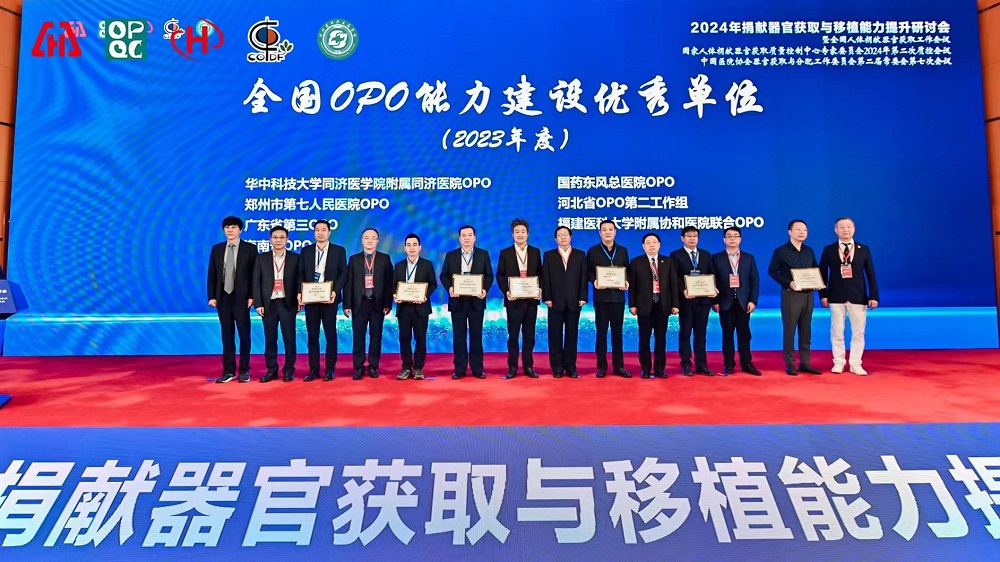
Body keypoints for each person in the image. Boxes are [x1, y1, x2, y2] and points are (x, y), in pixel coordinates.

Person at [819, 217, 879, 376]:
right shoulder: (829, 250)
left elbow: (871, 274)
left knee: (858, 332)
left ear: (854, 229)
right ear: (836, 230)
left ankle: (855, 363)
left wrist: (873, 296)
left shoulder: (863, 249)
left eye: (848, 226)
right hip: (835, 296)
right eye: (841, 227)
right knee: (837, 331)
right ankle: (838, 362)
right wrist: (823, 295)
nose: (845, 230)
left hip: (858, 296)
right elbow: (822, 274)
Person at [768, 219, 822, 376]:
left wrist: (818, 282)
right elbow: (772, 271)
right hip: (791, 294)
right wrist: (788, 283)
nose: (802, 232)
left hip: (808, 295)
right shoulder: (780, 251)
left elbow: (815, 269)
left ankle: (805, 363)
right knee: (790, 330)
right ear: (790, 232)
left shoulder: (809, 251)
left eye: (805, 230)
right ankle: (790, 364)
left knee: (806, 330)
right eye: (798, 229)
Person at [207, 216, 257, 383]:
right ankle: (228, 371)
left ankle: (244, 370)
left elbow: (254, 275)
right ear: (224, 230)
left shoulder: (250, 249)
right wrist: (212, 296)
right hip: (223, 298)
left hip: (242, 297)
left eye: (233, 227)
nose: (230, 230)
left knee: (244, 334)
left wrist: (253, 296)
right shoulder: (217, 249)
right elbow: (212, 274)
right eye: (227, 227)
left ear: (240, 230)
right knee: (227, 335)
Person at [440, 225, 494, 379]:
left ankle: (477, 369)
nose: (467, 238)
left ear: (474, 238)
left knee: (476, 336)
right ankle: (459, 369)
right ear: (459, 238)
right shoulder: (451, 255)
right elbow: (444, 275)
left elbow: (489, 276)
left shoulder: (483, 254)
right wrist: (450, 288)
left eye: (470, 235)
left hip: (476, 301)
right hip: (457, 302)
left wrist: (484, 289)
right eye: (463, 235)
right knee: (459, 336)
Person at [297, 220, 347, 381]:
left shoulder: (339, 251)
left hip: (329, 299)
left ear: (329, 232)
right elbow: (300, 273)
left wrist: (334, 291)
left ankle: (330, 369)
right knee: (312, 336)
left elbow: (343, 274)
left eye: (323, 230)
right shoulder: (306, 251)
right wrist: (300, 292)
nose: (320, 232)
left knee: (330, 335)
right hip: (311, 299)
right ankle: (313, 370)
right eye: (317, 230)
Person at [252, 226, 301, 382]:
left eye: (282, 237)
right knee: (270, 339)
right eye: (275, 237)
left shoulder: (295, 258)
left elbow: (300, 280)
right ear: (270, 239)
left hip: (288, 303)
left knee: (289, 339)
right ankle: (271, 370)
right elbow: (256, 282)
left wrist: (300, 297)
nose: (278, 240)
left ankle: (288, 370)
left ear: (287, 239)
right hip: (269, 304)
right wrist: (258, 303)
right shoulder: (261, 258)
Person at [344, 228, 394, 380]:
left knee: (376, 336)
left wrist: (388, 303)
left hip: (378, 304)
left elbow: (389, 283)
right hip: (359, 304)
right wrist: (347, 305)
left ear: (377, 240)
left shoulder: (385, 259)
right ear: (362, 240)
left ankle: (373, 366)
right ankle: (358, 367)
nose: (370, 240)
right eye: (366, 237)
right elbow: (348, 283)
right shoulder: (354, 259)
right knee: (358, 337)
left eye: (373, 238)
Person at [711, 227, 762, 376]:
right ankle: (729, 364)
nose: (732, 239)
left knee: (744, 334)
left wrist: (753, 300)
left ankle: (747, 363)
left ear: (740, 239)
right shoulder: (716, 258)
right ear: (724, 240)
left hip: (743, 302)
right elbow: (712, 282)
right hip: (725, 302)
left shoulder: (749, 258)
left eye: (735, 236)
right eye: (729, 236)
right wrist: (715, 301)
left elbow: (754, 281)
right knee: (727, 335)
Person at [628, 233, 679, 379]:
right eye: (648, 242)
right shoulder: (636, 262)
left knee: (661, 339)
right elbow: (633, 286)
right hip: (644, 305)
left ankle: (659, 369)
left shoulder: (668, 262)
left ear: (659, 245)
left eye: (654, 242)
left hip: (662, 305)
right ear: (643, 246)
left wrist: (675, 304)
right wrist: (632, 304)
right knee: (644, 339)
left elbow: (673, 284)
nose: (651, 245)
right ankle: (645, 368)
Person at [497, 218, 543, 379]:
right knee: (513, 335)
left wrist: (540, 288)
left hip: (531, 300)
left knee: (529, 335)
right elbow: (500, 275)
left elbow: (541, 274)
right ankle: (512, 366)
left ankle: (528, 366)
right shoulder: (505, 253)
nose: (520, 234)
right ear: (512, 234)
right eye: (517, 232)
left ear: (528, 233)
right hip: (513, 300)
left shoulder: (536, 252)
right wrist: (506, 291)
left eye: (523, 231)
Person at [670, 226, 718, 376]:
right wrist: (682, 290)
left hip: (703, 301)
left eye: (695, 236)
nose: (692, 239)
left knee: (701, 333)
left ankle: (701, 364)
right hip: (686, 301)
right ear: (682, 238)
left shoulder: (705, 254)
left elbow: (712, 274)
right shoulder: (675, 255)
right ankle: (686, 364)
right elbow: (674, 277)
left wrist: (713, 288)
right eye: (689, 236)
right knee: (685, 332)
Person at [586, 220, 631, 378]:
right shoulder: (593, 251)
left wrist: (626, 281)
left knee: (617, 333)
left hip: (618, 298)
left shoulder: (623, 251)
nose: (607, 232)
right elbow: (588, 271)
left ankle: (619, 366)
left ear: (615, 232)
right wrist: (594, 280)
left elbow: (627, 270)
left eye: (610, 229)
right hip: (601, 298)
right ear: (600, 233)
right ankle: (602, 367)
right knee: (602, 333)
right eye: (604, 230)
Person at [542, 226, 588, 378]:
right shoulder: (549, 255)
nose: (563, 237)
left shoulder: (580, 255)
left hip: (574, 301)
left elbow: (583, 277)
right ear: (555, 239)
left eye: (565, 234)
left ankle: (570, 367)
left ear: (571, 237)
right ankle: (557, 368)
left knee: (571, 335)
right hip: (554, 301)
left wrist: (583, 297)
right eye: (560, 235)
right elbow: (545, 277)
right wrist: (547, 297)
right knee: (554, 335)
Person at [393, 234, 438, 380]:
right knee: (404, 338)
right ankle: (406, 367)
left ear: (420, 247)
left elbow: (433, 284)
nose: (412, 248)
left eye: (414, 245)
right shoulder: (399, 266)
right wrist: (395, 294)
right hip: (404, 308)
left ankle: (418, 368)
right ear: (405, 248)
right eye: (409, 245)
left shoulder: (427, 264)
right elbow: (394, 285)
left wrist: (425, 295)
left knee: (420, 338)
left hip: (421, 308)